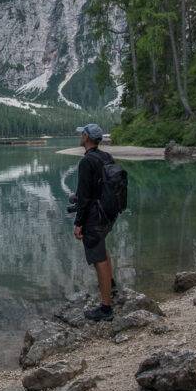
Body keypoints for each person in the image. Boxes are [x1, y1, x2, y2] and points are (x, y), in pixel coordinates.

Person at [72, 123, 117, 321]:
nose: (80, 136)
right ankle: (111, 284)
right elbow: (100, 186)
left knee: (98, 259)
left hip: (94, 217)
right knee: (103, 251)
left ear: (87, 137)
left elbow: (84, 196)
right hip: (108, 214)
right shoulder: (106, 157)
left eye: (82, 133)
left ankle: (106, 308)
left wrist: (78, 223)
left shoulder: (86, 162)